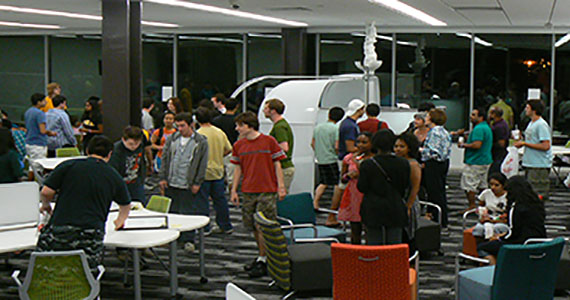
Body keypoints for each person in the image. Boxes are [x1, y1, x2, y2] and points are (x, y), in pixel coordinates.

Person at [36, 136, 131, 268]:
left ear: (87, 151)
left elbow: (46, 192)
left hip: (61, 226)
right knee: (84, 269)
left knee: (51, 263)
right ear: (110, 154)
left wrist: (46, 206)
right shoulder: (113, 175)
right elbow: (126, 205)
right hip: (91, 233)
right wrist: (119, 221)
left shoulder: (68, 165)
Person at [229, 111, 286, 278]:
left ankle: (266, 259)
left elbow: (278, 164)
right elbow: (237, 168)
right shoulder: (239, 145)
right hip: (248, 190)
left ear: (249, 126)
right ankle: (262, 256)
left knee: (264, 225)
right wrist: (234, 189)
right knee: (253, 226)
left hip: (266, 190)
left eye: (240, 125)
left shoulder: (269, 142)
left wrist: (281, 186)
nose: (237, 128)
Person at [159, 112, 208, 252]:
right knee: (172, 211)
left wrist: (198, 182)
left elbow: (202, 163)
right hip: (172, 180)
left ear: (190, 124)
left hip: (188, 182)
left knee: (188, 212)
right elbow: (165, 158)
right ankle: (173, 238)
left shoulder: (201, 141)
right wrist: (162, 177)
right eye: (177, 125)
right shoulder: (172, 139)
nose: (179, 129)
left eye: (182, 125)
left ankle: (188, 239)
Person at [476, 176, 546, 265]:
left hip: (521, 244)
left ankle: (493, 272)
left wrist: (499, 238)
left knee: (482, 248)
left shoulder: (516, 207)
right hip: (539, 241)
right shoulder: (537, 203)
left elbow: (513, 233)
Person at [357, 129, 410, 245]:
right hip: (395, 205)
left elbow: (361, 187)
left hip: (372, 206)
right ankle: (392, 263)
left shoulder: (367, 164)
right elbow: (405, 186)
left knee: (374, 244)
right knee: (394, 246)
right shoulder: (403, 163)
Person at [327, 99, 365, 227]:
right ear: (360, 109)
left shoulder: (347, 123)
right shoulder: (350, 126)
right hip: (348, 161)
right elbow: (350, 147)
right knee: (342, 188)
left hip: (344, 158)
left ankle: (334, 215)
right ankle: (333, 215)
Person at [195, 107, 233, 234]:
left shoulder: (198, 134)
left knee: (202, 201)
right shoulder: (219, 132)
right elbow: (229, 149)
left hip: (203, 172)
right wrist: (218, 156)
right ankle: (225, 225)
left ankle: (205, 227)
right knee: (220, 200)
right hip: (218, 170)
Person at [338, 132, 374, 245]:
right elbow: (342, 179)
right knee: (354, 229)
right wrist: (347, 176)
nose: (361, 145)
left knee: (369, 229)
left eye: (365, 142)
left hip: (368, 194)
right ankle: (355, 255)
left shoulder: (374, 159)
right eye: (358, 142)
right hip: (353, 195)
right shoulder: (349, 158)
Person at [514, 99, 553, 200]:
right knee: (528, 192)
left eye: (527, 108)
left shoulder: (541, 125)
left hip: (539, 164)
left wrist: (525, 143)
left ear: (534, 110)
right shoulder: (531, 123)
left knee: (537, 193)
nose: (525, 110)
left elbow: (545, 146)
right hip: (530, 162)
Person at [420, 108, 452, 227]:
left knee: (434, 193)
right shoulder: (444, 131)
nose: (425, 119)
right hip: (443, 164)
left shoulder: (434, 132)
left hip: (434, 164)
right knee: (439, 191)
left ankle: (436, 219)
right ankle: (440, 219)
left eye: (427, 116)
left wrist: (421, 151)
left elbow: (434, 152)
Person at [458, 108, 493, 210]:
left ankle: (472, 206)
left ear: (480, 117)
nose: (471, 116)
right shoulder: (486, 127)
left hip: (475, 161)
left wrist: (464, 145)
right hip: (485, 160)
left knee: (469, 186)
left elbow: (477, 145)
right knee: (483, 185)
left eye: (473, 115)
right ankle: (484, 206)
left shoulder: (478, 129)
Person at [311, 106, 344, 209]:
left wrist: (319, 152)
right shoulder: (335, 129)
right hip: (331, 159)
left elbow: (312, 143)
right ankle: (335, 205)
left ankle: (315, 202)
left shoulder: (318, 127)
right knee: (336, 183)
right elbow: (337, 146)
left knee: (323, 182)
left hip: (320, 159)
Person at [109, 126, 151, 205]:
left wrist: (142, 178)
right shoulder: (116, 151)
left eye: (136, 144)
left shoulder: (140, 146)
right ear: (123, 140)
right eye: (130, 144)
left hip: (135, 182)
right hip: (121, 184)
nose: (134, 146)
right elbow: (113, 171)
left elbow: (142, 162)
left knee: (140, 205)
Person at [394, 133, 422, 247]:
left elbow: (415, 187)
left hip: (409, 201)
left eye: (402, 146)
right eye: (396, 146)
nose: (398, 149)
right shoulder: (395, 161)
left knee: (407, 234)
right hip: (398, 200)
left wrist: (409, 206)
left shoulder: (413, 164)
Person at [263, 98, 295, 191]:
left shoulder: (279, 127)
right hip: (284, 167)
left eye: (266, 109)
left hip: (283, 167)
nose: (264, 111)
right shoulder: (281, 124)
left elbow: (284, 147)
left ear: (273, 111)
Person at [25, 93, 56, 179]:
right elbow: (42, 130)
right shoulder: (40, 114)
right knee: (38, 166)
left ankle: (30, 183)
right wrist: (51, 133)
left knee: (32, 165)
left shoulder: (28, 112)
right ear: (39, 102)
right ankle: (36, 184)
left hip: (29, 142)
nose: (46, 102)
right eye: (44, 100)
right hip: (38, 143)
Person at [212, 98, 240, 191]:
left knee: (218, 175)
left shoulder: (216, 121)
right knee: (231, 176)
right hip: (233, 150)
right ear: (236, 107)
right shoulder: (238, 122)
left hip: (218, 150)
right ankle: (232, 193)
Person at [472, 172, 509, 239]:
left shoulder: (508, 196)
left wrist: (494, 220)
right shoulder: (486, 193)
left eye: (496, 185)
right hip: (488, 218)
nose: (493, 187)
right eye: (491, 184)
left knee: (496, 228)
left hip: (501, 221)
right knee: (479, 229)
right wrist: (482, 214)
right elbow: (481, 206)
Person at [488, 107, 510, 175]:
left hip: (498, 155)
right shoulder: (497, 124)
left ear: (494, 114)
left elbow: (501, 143)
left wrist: (489, 144)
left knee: (494, 173)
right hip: (496, 155)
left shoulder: (500, 126)